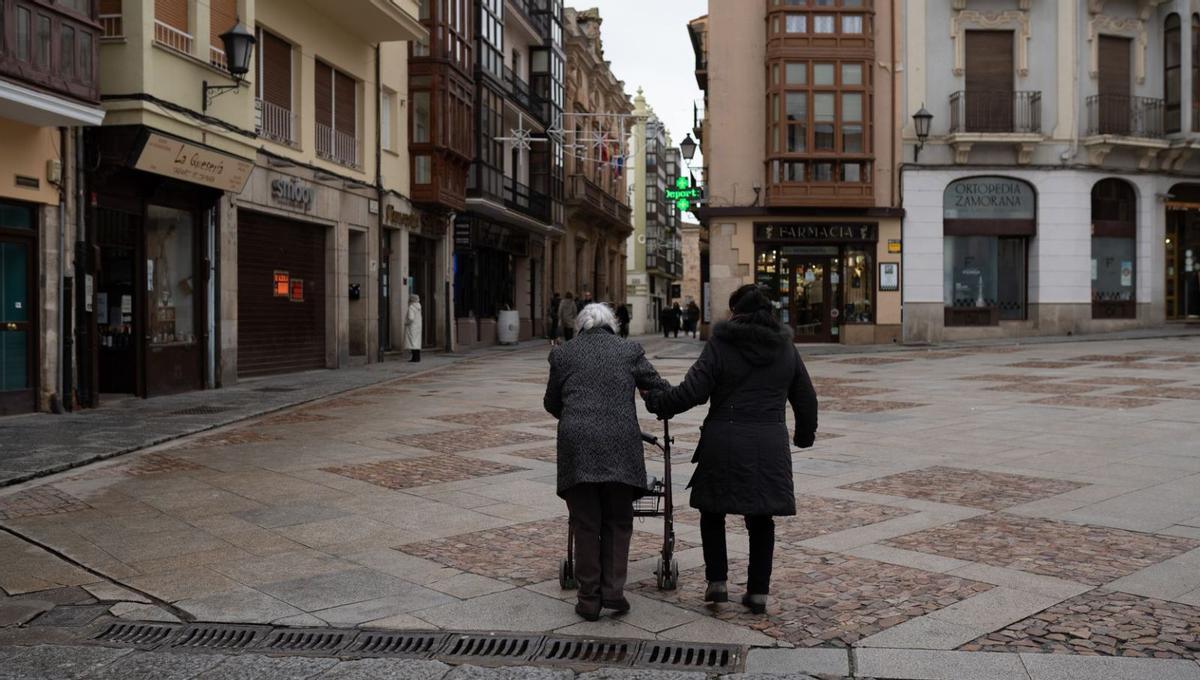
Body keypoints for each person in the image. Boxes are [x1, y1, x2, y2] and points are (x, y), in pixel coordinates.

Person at [646, 284, 817, 615]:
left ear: (735, 311)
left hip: (724, 438)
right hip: (769, 440)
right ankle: (757, 593)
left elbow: (693, 391)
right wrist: (804, 435)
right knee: (762, 516)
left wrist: (661, 403)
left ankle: (719, 583)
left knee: (713, 511)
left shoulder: (721, 343)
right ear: (768, 312)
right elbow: (806, 396)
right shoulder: (785, 347)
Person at [544, 303, 669, 621]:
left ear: (580, 326)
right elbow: (657, 389)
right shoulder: (629, 350)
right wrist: (664, 402)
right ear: (612, 325)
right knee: (617, 520)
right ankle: (613, 593)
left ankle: (588, 600)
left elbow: (552, 402)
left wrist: (576, 415)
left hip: (578, 443)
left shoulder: (563, 354)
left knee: (585, 523)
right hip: (620, 443)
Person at [405, 294, 423, 363]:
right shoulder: (419, 306)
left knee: (412, 343)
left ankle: (414, 358)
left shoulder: (411, 307)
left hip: (412, 327)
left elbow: (411, 318)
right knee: (417, 343)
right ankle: (417, 357)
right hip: (418, 327)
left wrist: (406, 322)